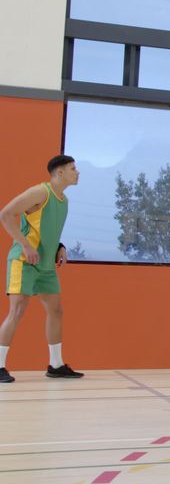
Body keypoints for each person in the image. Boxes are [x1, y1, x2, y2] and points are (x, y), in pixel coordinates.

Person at [0, 155, 83, 383]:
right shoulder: (40, 193)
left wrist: (59, 246)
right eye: (73, 169)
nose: (77, 172)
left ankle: (56, 365)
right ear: (60, 173)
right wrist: (25, 245)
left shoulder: (63, 200)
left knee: (56, 310)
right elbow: (5, 214)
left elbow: (46, 228)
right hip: (24, 261)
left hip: (45, 265)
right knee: (17, 311)